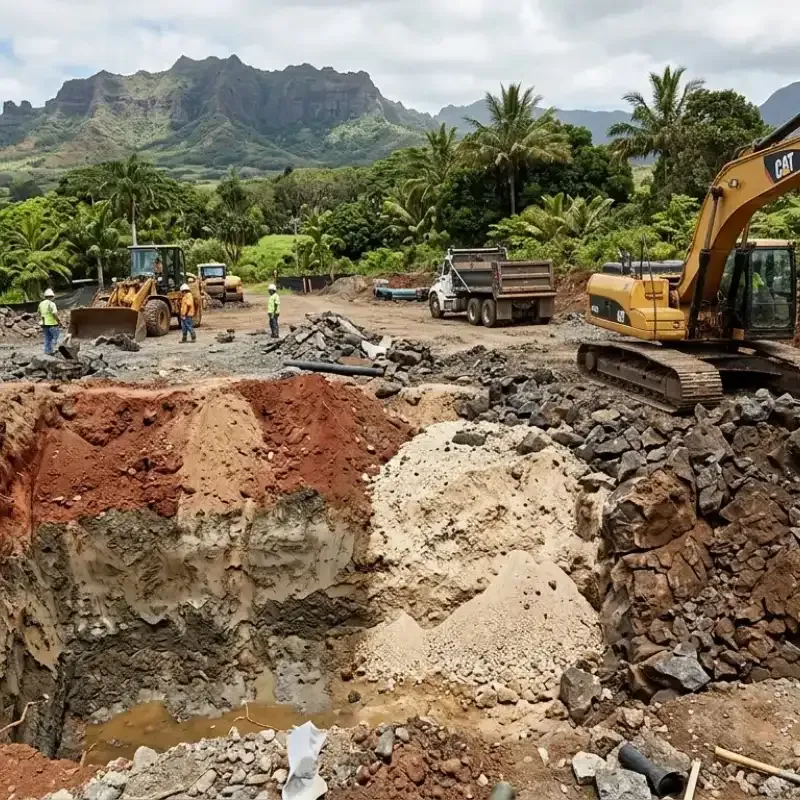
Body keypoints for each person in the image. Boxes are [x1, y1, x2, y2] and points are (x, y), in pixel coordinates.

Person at [38, 288, 60, 355]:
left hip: (44, 324)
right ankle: (55, 350)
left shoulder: (41, 304)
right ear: (52, 296)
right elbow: (54, 313)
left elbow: (39, 313)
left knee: (47, 338)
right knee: (57, 337)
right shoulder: (52, 304)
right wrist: (58, 320)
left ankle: (47, 351)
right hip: (53, 324)